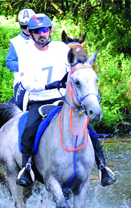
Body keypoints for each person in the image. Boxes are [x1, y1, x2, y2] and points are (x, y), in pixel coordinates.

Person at [16, 13, 115, 187]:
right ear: (31, 34)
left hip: (64, 100)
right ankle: (26, 168)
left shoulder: (61, 48)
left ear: (50, 31)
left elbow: (80, 63)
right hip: (40, 101)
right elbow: (26, 83)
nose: (41, 34)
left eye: (45, 30)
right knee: (30, 128)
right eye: (37, 31)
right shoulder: (25, 54)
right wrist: (49, 86)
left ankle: (102, 167)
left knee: (89, 128)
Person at [6, 8, 35, 111]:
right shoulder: (15, 42)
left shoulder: (41, 38)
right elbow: (9, 62)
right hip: (22, 80)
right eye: (24, 26)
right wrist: (24, 65)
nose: (27, 28)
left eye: (29, 25)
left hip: (41, 77)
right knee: (19, 105)